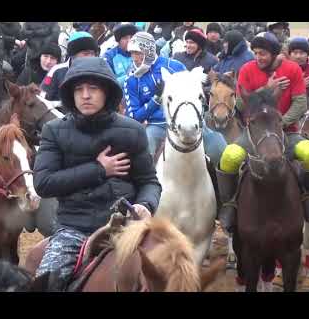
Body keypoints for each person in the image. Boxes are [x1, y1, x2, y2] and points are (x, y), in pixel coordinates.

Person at [33, 56, 162, 291]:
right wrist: (99, 170)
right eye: (79, 89)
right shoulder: (54, 131)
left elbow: (150, 182)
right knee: (46, 285)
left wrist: (146, 204)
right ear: (70, 95)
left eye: (93, 88)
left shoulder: (132, 130)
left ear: (107, 93)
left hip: (127, 226)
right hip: (74, 228)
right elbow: (43, 183)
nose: (85, 95)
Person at [217, 32, 309, 234]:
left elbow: (300, 103)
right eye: (255, 52)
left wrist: (279, 124)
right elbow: (242, 105)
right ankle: (229, 205)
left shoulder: (292, 69)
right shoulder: (246, 69)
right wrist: (265, 89)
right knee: (229, 156)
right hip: (253, 134)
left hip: (288, 132)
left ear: (273, 53)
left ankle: (308, 198)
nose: (258, 57)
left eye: (262, 53)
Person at [123, 32, 227, 168]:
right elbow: (134, 117)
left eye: (138, 53)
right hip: (157, 125)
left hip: (187, 116)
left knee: (215, 141)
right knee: (145, 150)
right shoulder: (130, 80)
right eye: (132, 53)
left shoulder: (174, 66)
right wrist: (156, 99)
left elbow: (193, 92)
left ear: (149, 51)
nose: (134, 58)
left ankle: (228, 177)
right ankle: (146, 184)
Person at [41, 31, 98, 102]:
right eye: (85, 54)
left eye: (92, 54)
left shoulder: (99, 73)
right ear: (73, 54)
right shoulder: (56, 70)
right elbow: (42, 96)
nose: (90, 57)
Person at [103, 23, 138, 87]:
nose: (129, 40)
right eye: (125, 38)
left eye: (132, 37)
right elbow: (109, 82)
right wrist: (134, 75)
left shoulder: (141, 52)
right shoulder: (109, 56)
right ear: (118, 41)